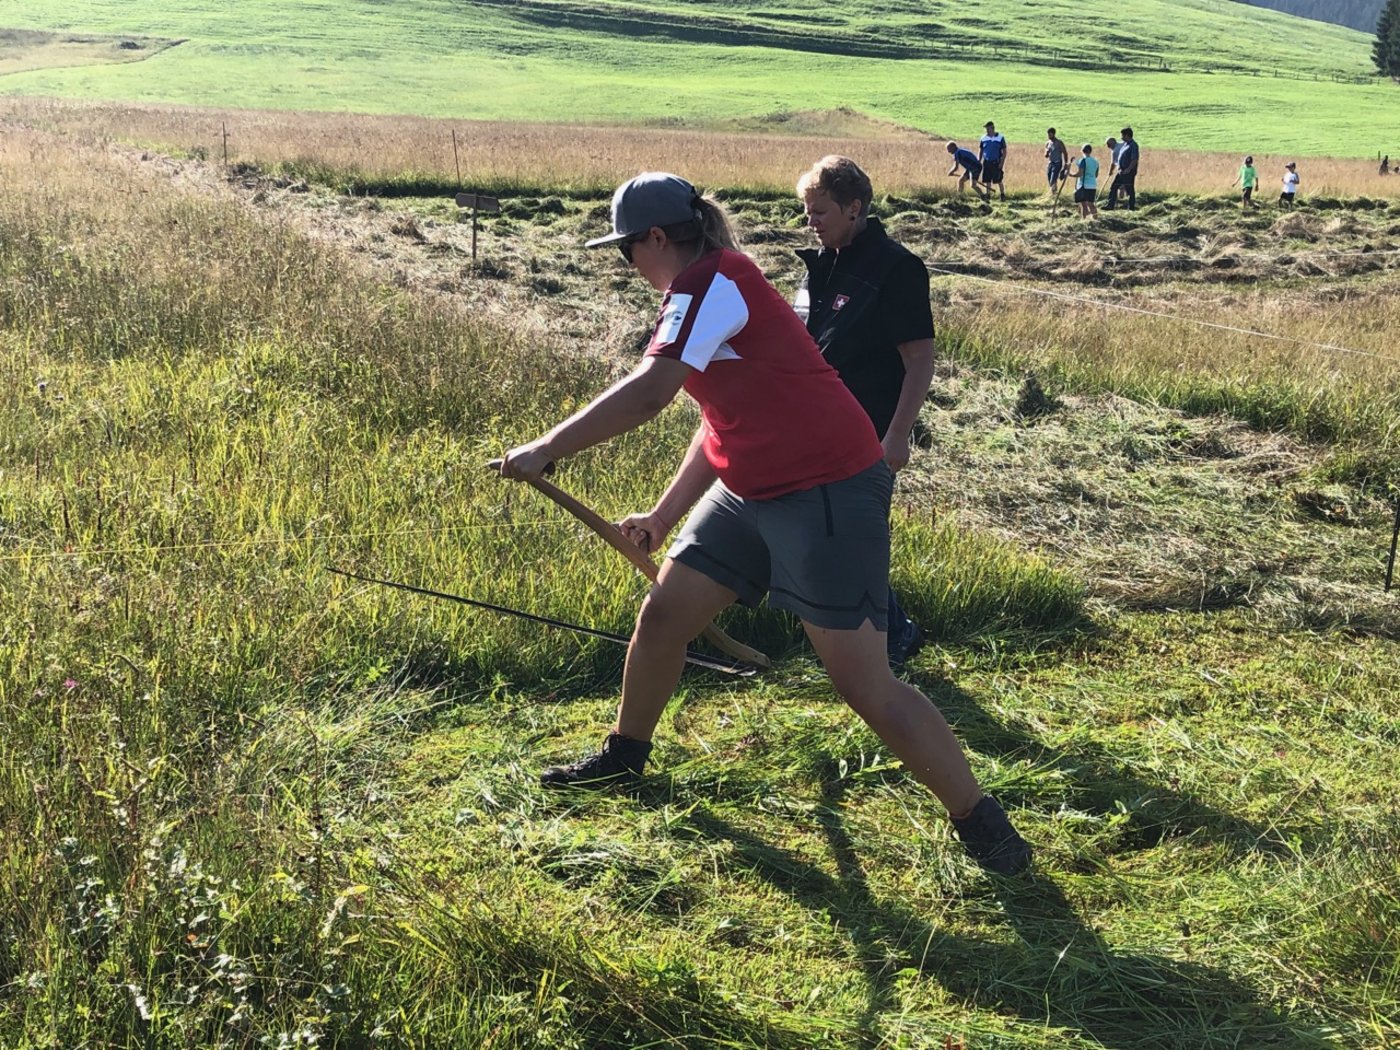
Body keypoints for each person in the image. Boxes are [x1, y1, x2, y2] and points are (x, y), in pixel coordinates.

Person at [498, 171, 1031, 875]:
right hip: (752, 489)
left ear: (657, 238)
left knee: (864, 684)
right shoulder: (698, 293)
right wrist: (664, 515)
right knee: (663, 618)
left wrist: (546, 448)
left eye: (626, 248)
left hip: (829, 489)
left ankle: (984, 825)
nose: (627, 263)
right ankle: (625, 757)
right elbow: (719, 419)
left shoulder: (713, 284)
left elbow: (649, 393)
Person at [791, 156, 933, 670]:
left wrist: (898, 435)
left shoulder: (896, 269)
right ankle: (873, 632)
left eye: (820, 211)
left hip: (868, 431)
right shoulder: (820, 265)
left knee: (855, 539)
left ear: (855, 208)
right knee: (823, 536)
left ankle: (892, 635)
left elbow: (919, 359)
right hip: (814, 427)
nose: (812, 221)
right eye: (807, 212)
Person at [1105, 126, 1139, 210]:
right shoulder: (1125, 145)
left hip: (1128, 172)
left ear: (1127, 135)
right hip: (1121, 171)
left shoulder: (1133, 145)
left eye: (1122, 135)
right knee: (1114, 187)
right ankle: (1110, 205)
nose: (1121, 137)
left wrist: (1129, 169)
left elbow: (1134, 159)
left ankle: (1131, 207)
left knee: (1129, 189)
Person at [979, 121, 1009, 200]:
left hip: (996, 162)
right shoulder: (983, 138)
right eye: (986, 129)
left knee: (998, 179)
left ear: (992, 128)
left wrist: (1002, 163)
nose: (987, 130)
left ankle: (1002, 195)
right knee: (987, 180)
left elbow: (1004, 151)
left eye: (988, 129)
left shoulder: (1000, 138)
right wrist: (979, 160)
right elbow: (981, 150)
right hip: (986, 161)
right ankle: (988, 195)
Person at [1071, 143, 1100, 219]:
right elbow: (1096, 175)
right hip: (1093, 185)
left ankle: (1084, 220)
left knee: (1083, 205)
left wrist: (1071, 174)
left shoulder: (1083, 160)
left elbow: (1080, 173)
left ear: (1082, 151)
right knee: (1091, 204)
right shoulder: (1095, 161)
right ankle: (1095, 220)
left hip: (1083, 185)